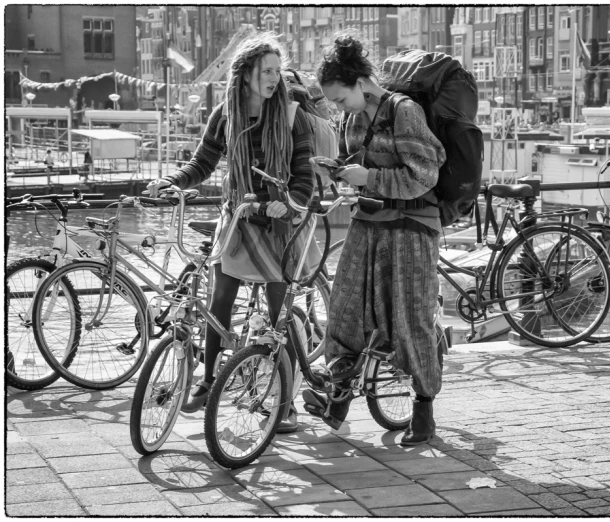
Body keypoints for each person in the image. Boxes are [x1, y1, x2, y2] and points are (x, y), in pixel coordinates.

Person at [146, 33, 315, 433]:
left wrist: (288, 201)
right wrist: (173, 182)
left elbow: (305, 175)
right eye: (267, 71)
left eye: (277, 70)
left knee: (280, 315)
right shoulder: (226, 114)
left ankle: (286, 403)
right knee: (219, 295)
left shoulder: (293, 115)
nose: (275, 79)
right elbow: (202, 161)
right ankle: (208, 381)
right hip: (238, 216)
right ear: (245, 75)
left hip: (279, 225)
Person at [308, 34, 447, 446]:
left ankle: (424, 412)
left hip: (411, 225)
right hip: (369, 220)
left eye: (339, 99)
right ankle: (338, 397)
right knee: (345, 307)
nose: (336, 109)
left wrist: (368, 177)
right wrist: (339, 171)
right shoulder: (352, 120)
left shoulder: (404, 112)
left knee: (409, 317)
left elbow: (423, 177)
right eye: (331, 102)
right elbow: (360, 166)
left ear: (361, 83)